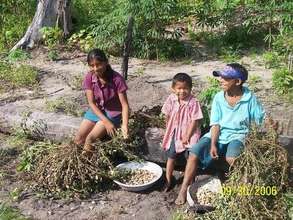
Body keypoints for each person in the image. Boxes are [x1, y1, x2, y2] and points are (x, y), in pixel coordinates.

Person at [175, 63, 265, 205]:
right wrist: (212, 144)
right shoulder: (218, 97)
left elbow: (260, 118)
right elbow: (215, 124)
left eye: (225, 78)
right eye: (220, 77)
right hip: (216, 134)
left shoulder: (249, 97)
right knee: (194, 152)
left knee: (232, 158)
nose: (220, 80)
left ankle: (241, 185)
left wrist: (269, 125)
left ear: (238, 82)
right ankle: (184, 187)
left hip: (238, 135)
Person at [74, 48, 129, 155]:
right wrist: (106, 122)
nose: (95, 68)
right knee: (78, 139)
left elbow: (125, 105)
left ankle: (86, 165)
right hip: (96, 111)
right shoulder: (89, 77)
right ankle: (77, 162)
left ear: (106, 62)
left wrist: (125, 126)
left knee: (90, 139)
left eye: (98, 64)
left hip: (112, 113)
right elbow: (91, 103)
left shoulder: (117, 79)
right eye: (92, 65)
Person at [161, 73, 203, 192]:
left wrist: (187, 136)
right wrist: (168, 130)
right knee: (171, 155)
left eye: (185, 88)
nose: (182, 91)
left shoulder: (193, 102)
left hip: (190, 132)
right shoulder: (171, 99)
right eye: (179, 88)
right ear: (173, 88)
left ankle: (190, 180)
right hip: (175, 131)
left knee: (191, 156)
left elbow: (195, 121)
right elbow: (167, 116)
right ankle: (168, 179)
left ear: (190, 88)